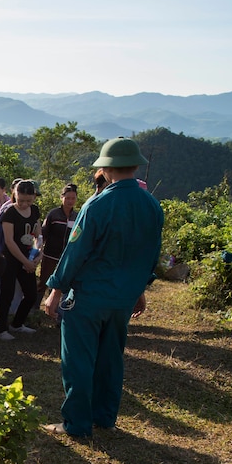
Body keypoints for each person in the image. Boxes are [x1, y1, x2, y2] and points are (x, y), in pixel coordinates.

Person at [43, 137, 164, 438]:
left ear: (106, 169)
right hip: (122, 299)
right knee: (111, 358)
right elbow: (150, 255)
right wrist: (139, 290)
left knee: (79, 362)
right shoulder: (151, 205)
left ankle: (77, 424)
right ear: (136, 166)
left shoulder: (97, 204)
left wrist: (55, 291)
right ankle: (105, 417)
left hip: (88, 297)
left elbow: (75, 252)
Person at [0, 180, 41, 340]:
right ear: (15, 194)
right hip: (11, 259)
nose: (24, 204)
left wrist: (37, 256)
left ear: (34, 197)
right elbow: (9, 241)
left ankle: (17, 324)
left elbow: (38, 235)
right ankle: (1, 328)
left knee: (31, 294)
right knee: (6, 294)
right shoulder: (10, 213)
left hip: (28, 257)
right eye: (21, 200)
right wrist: (25, 261)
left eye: (28, 201)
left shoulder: (35, 210)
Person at [38, 183, 78, 298]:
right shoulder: (53, 214)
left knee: (59, 284)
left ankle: (53, 308)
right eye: (67, 198)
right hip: (50, 255)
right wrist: (38, 250)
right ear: (62, 198)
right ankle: (35, 308)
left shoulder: (77, 216)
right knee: (44, 281)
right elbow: (44, 232)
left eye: (73, 198)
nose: (70, 201)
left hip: (66, 257)